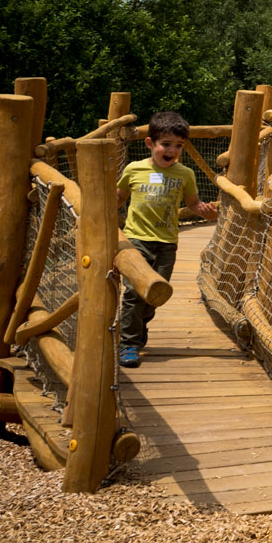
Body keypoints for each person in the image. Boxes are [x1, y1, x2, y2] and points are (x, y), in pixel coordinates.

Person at [115, 111, 217, 368]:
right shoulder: (134, 169)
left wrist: (205, 212)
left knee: (155, 295)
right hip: (136, 239)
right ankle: (129, 343)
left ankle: (138, 327)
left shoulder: (185, 174)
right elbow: (117, 197)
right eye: (166, 144)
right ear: (150, 144)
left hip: (167, 243)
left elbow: (193, 204)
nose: (172, 150)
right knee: (133, 293)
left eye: (179, 145)